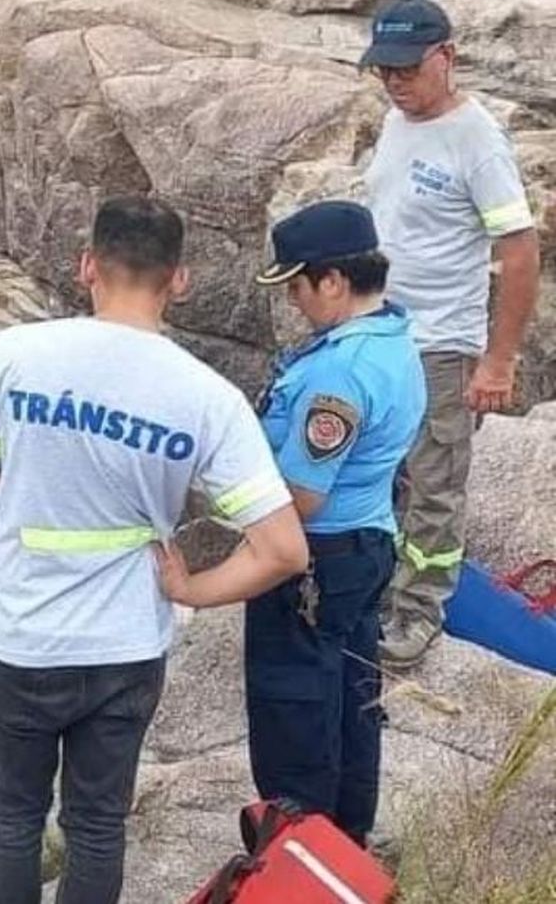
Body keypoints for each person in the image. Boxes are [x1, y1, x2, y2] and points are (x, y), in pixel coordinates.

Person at [0, 196, 309, 904]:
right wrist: (191, 589)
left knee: (13, 820)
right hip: (123, 647)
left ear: (87, 267)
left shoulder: (16, 354)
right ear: (179, 281)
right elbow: (283, 549)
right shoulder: (206, 397)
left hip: (20, 638)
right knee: (98, 825)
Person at [360, 0, 542, 668]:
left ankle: (418, 612)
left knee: (434, 483)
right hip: (378, 331)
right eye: (385, 71)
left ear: (447, 57)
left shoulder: (477, 140)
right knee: (375, 472)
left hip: (441, 341)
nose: (396, 82)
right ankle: (373, 590)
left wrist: (498, 360)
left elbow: (520, 250)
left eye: (407, 69)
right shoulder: (395, 121)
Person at [250, 201, 426, 845]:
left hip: (313, 560)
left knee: (293, 706)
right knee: (353, 697)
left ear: (332, 281)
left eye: (296, 285)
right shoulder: (393, 338)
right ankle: (348, 843)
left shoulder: (338, 370)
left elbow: (301, 496)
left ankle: (297, 852)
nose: (294, 301)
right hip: (368, 542)